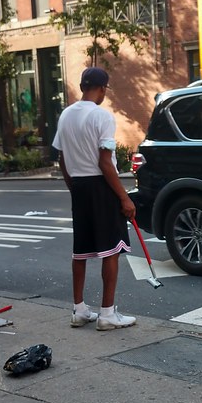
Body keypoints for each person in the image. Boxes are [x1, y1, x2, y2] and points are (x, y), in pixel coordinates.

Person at [52, 67, 137, 330]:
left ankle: (79, 310)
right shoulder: (102, 116)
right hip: (101, 186)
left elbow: (62, 157)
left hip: (79, 185)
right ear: (102, 89)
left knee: (81, 250)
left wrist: (72, 185)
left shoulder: (65, 115)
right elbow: (105, 162)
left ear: (81, 86)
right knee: (110, 250)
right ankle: (107, 314)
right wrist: (124, 198)